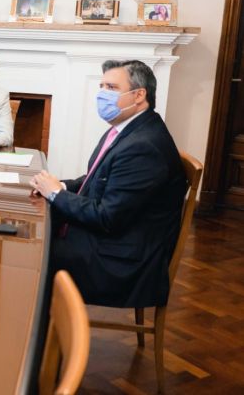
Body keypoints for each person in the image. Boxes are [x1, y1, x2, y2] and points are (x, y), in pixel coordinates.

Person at [30, 60, 187, 308]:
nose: (102, 94)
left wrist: (57, 194)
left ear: (138, 95)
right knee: (32, 235)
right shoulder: (128, 128)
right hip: (111, 241)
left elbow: (107, 217)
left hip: (121, 263)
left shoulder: (144, 147)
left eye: (111, 87)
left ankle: (41, 340)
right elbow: (95, 178)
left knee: (33, 254)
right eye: (101, 86)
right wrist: (56, 185)